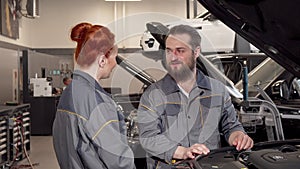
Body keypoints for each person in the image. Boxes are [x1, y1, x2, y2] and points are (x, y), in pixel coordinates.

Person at [137, 24, 253, 169]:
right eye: (169, 51)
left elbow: (230, 126)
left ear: (196, 52)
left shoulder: (218, 91)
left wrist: (238, 136)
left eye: (180, 51)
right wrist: (183, 152)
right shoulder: (152, 95)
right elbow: (149, 138)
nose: (173, 57)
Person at [52, 22, 136, 169]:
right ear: (102, 60)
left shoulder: (69, 92)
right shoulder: (98, 102)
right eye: (114, 58)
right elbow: (118, 161)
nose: (115, 64)